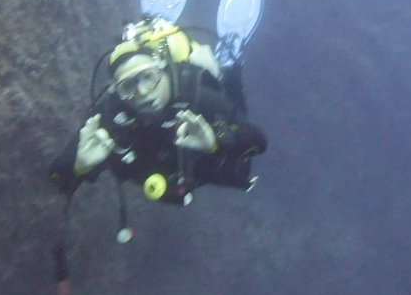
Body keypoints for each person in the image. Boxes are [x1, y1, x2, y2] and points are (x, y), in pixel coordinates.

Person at [48, 18, 266, 206]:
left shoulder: (194, 94)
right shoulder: (109, 116)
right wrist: (80, 166)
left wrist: (216, 141)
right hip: (164, 179)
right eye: (128, 87)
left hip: (202, 167)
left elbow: (257, 140)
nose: (143, 92)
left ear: (164, 70)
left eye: (148, 77)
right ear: (116, 92)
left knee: (239, 171)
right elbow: (57, 175)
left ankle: (228, 66)